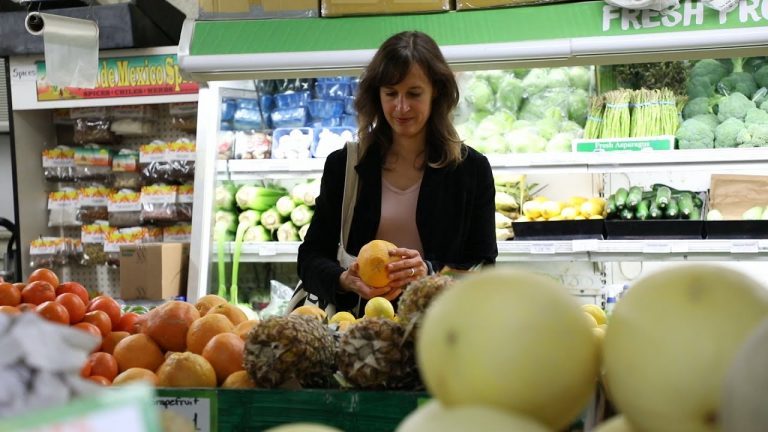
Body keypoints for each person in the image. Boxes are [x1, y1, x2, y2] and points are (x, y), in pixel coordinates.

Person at [297, 30, 498, 314]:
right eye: (391, 93)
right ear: (376, 95)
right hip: (358, 331)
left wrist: (429, 272)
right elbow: (310, 256)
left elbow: (482, 267)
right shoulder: (343, 166)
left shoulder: (471, 170)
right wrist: (344, 279)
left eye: (414, 94)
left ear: (436, 91)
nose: (401, 107)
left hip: (441, 331)